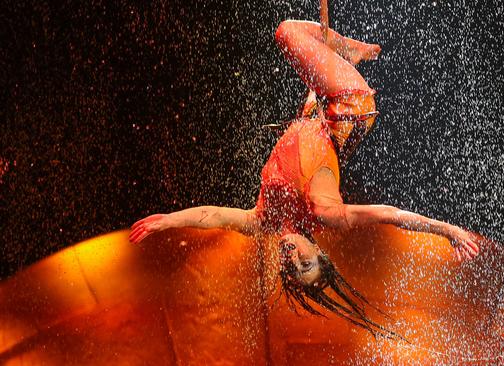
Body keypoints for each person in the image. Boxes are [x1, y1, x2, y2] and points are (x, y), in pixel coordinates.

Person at [129, 19, 479, 339]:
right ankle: (347, 50)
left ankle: (345, 55)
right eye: (306, 262)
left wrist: (167, 222)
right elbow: (390, 214)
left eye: (293, 269)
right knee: (286, 33)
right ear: (318, 251)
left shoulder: (263, 220)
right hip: (348, 105)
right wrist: (447, 230)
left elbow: (215, 216)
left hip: (315, 111)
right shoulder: (326, 213)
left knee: (304, 60)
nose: (294, 259)